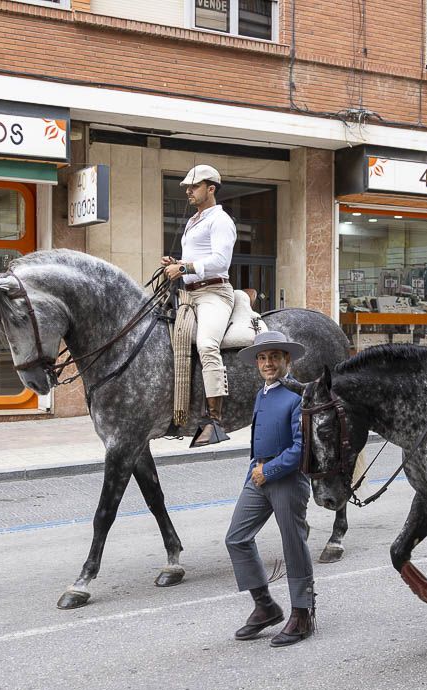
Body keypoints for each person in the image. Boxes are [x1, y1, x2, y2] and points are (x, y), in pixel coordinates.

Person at [224, 330, 315, 647]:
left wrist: (270, 470)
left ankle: (303, 613)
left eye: (274, 357)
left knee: (293, 544)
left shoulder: (297, 397)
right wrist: (254, 473)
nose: (268, 363)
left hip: (287, 479)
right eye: (262, 358)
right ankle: (265, 606)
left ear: (286, 359)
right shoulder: (261, 394)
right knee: (236, 538)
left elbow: (302, 447)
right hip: (259, 476)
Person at [161, 165, 238, 447]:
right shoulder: (194, 220)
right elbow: (197, 258)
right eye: (187, 187)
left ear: (211, 189)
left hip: (214, 294)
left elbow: (220, 261)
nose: (188, 191)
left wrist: (184, 267)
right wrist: (178, 264)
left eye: (194, 187)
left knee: (207, 345)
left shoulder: (220, 220)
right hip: (189, 294)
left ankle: (214, 421)